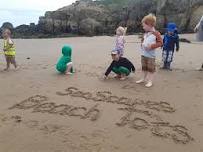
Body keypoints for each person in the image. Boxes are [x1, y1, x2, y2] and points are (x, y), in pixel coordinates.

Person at [136, 14, 163, 87]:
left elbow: (160, 43)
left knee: (151, 69)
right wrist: (142, 44)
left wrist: (151, 46)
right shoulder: (146, 33)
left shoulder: (156, 34)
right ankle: (143, 78)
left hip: (151, 56)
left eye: (144, 25)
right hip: (143, 54)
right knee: (144, 68)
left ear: (150, 25)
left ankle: (150, 81)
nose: (143, 27)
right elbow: (143, 40)